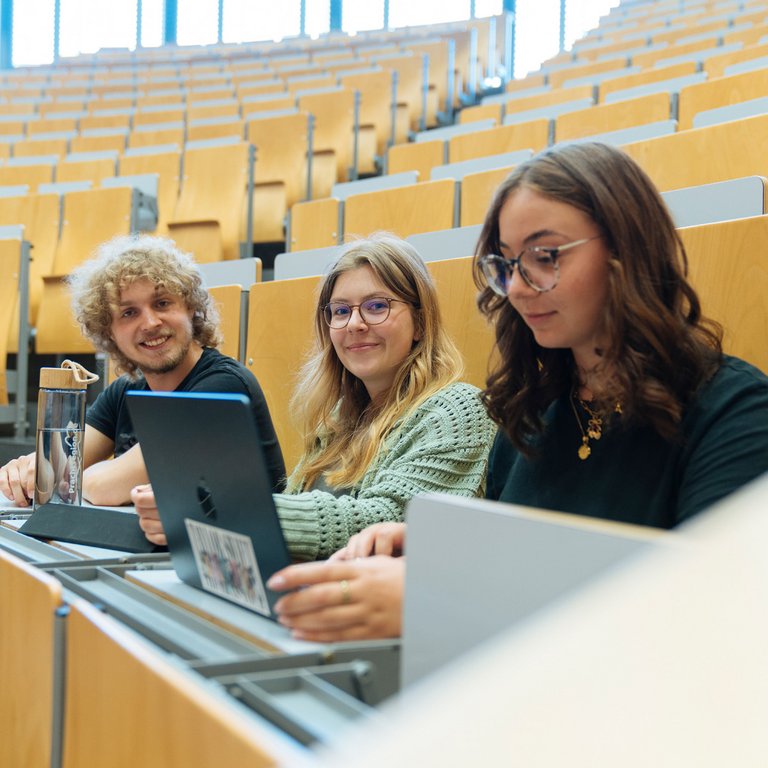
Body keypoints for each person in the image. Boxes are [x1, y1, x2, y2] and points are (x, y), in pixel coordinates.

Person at [267, 141, 768, 640]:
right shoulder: (529, 417)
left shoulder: (735, 411)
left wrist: (441, 597)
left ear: (626, 251)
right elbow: (523, 565)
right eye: (507, 265)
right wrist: (431, 550)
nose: (521, 287)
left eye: (545, 256)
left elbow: (714, 619)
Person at [133, 233, 497, 560]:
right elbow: (294, 512)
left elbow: (388, 524)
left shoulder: (458, 410)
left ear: (420, 322)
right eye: (340, 311)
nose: (354, 323)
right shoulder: (339, 417)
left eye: (376, 306)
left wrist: (223, 509)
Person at [0, 234, 285, 507]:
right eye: (128, 313)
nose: (150, 323)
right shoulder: (125, 390)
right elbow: (54, 464)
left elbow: (105, 487)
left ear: (191, 309)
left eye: (162, 303)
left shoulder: (224, 387)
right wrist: (23, 471)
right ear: (109, 333)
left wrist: (58, 476)